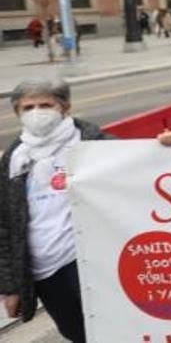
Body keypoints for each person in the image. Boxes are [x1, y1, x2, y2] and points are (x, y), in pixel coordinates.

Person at [1, 79, 110, 343]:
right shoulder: (15, 158)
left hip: (87, 261)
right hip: (44, 270)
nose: (36, 112)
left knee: (110, 330)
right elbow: (5, 225)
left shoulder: (94, 142)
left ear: (65, 107)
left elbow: (138, 170)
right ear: (17, 112)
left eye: (45, 105)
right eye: (28, 107)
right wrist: (10, 287)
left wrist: (165, 146)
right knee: (75, 332)